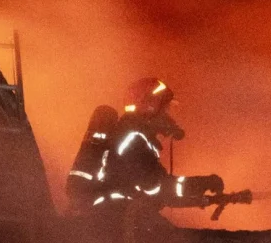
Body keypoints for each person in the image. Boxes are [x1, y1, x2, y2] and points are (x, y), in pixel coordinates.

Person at [90, 77, 223, 214]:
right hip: (116, 213)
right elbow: (155, 186)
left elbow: (162, 195)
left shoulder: (135, 135)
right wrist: (202, 184)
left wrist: (204, 199)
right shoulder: (133, 137)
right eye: (165, 109)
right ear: (150, 107)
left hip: (119, 210)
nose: (168, 116)